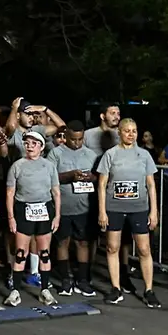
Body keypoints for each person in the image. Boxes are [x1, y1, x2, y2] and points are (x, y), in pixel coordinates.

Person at [97, 118, 160, 308]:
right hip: (114, 208)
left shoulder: (144, 155)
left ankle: (149, 290)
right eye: (127, 131)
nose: (131, 134)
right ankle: (116, 288)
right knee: (112, 247)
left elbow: (151, 185)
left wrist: (154, 211)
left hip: (138, 208)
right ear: (120, 132)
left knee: (144, 249)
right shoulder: (110, 154)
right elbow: (101, 185)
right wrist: (102, 211)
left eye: (134, 131)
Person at [4, 130, 60, 307]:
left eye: (34, 144)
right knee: (21, 252)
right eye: (27, 143)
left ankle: (44, 289)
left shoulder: (49, 166)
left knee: (44, 252)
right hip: (23, 209)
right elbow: (10, 193)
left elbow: (56, 192)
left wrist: (57, 215)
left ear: (42, 147)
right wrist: (11, 217)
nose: (30, 147)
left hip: (44, 208)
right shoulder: (17, 166)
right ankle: (15, 291)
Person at [47, 120, 98, 297]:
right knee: (63, 242)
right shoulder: (56, 153)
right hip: (63, 208)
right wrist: (70, 176)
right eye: (73, 139)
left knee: (83, 242)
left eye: (80, 139)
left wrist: (92, 177)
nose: (77, 143)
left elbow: (98, 177)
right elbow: (49, 176)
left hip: (84, 207)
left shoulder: (91, 155)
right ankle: (65, 279)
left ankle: (82, 279)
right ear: (66, 136)